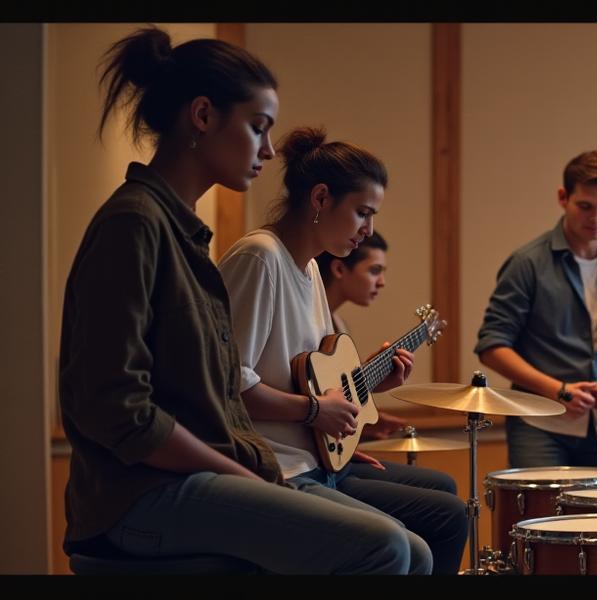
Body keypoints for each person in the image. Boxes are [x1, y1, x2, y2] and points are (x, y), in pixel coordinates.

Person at [59, 27, 422, 574]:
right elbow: (118, 410)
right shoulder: (134, 224)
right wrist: (248, 477)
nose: (270, 150)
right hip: (138, 497)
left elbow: (218, 393)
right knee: (385, 548)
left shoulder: (184, 235)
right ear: (202, 116)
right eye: (258, 128)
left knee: (412, 548)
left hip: (197, 478)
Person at [218, 126, 467, 575]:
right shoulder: (259, 258)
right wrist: (315, 413)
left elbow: (313, 380)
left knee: (445, 515)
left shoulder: (310, 270)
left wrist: (370, 387)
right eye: (362, 213)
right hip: (279, 471)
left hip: (316, 458)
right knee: (413, 550)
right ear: (319, 199)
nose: (368, 230)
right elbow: (228, 384)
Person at [476, 150, 597, 471]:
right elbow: (492, 347)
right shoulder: (528, 263)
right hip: (540, 424)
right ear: (563, 197)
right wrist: (559, 391)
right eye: (585, 207)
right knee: (539, 521)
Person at [317, 231, 407, 441]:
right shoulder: (308, 321)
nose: (382, 282)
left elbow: (335, 394)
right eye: (375, 271)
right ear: (339, 268)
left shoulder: (339, 325)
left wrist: (365, 424)